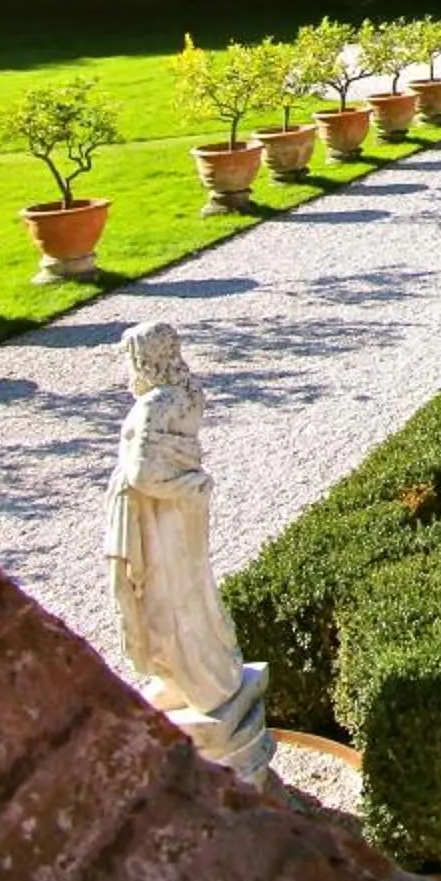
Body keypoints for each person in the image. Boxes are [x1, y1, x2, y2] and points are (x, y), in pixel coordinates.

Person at [104, 323, 270, 782]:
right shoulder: (186, 393)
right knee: (189, 591)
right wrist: (192, 485)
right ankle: (192, 677)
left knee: (165, 598)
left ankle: (195, 678)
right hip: (179, 513)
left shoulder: (154, 404)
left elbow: (141, 473)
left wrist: (179, 484)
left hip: (157, 519)